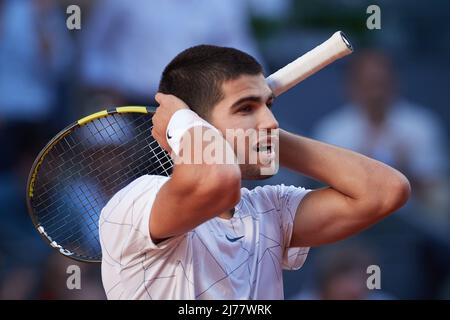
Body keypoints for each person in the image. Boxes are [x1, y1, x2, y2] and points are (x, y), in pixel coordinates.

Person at [99, 45, 410, 299]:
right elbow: (217, 180)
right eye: (246, 108)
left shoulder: (269, 210)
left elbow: (386, 191)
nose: (273, 122)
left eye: (269, 105)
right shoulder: (136, 200)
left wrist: (262, 134)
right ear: (196, 126)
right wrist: (182, 121)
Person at [313, 50, 449, 220]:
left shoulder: (421, 125)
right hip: (352, 223)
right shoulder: (333, 130)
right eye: (368, 83)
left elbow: (435, 184)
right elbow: (325, 192)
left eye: (381, 83)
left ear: (395, 83)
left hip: (415, 221)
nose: (376, 92)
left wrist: (402, 174)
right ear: (351, 86)